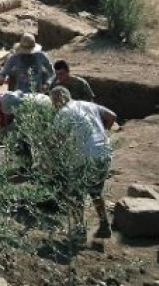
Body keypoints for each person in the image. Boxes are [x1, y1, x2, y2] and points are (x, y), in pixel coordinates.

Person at [50, 86, 116, 239]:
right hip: (103, 153)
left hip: (84, 157)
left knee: (75, 194)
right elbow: (112, 116)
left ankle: (80, 231)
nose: (54, 106)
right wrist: (102, 132)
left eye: (53, 102)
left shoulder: (63, 113)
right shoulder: (88, 105)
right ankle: (104, 225)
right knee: (96, 191)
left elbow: (57, 141)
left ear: (58, 99)